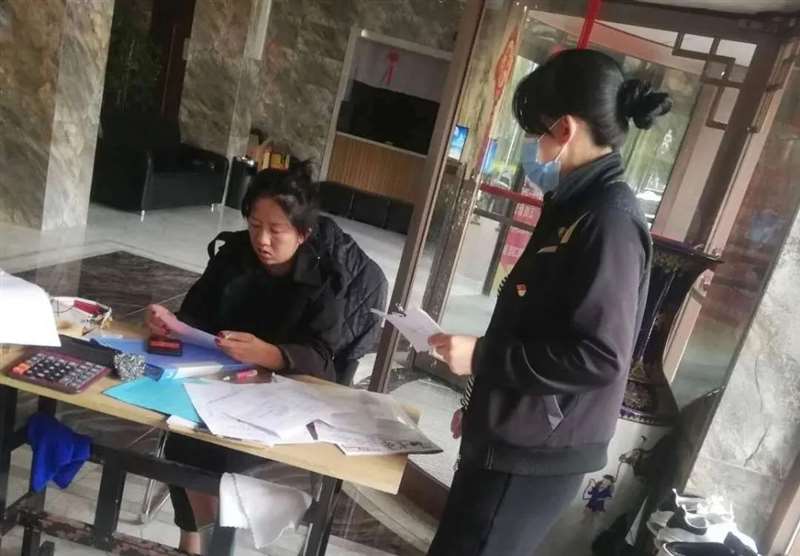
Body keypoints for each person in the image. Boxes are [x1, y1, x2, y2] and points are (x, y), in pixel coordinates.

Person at [427, 48, 672, 555]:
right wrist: (481, 403)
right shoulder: (573, 206)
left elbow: (600, 357)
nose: (531, 146)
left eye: (535, 131)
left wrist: (482, 357)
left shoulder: (607, 222)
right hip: (516, 435)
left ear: (564, 128)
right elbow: (534, 323)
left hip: (537, 454)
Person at [145, 160, 344, 555]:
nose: (262, 240)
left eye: (276, 230)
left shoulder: (323, 280)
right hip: (213, 376)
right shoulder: (233, 254)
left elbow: (323, 359)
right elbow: (196, 312)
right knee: (180, 439)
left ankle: (208, 541)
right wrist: (171, 323)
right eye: (255, 226)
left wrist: (270, 354)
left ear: (302, 234)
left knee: (216, 452)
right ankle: (195, 541)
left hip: (277, 397)